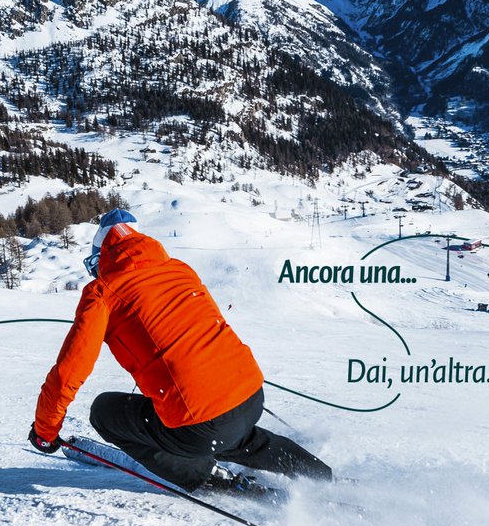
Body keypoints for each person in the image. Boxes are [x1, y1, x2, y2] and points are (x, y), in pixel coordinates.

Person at [28, 209, 332, 492]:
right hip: (250, 395)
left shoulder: (102, 292)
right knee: (235, 436)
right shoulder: (179, 269)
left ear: (103, 255)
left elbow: (70, 370)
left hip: (202, 423)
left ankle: (208, 476)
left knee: (105, 412)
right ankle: (324, 477)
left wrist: (46, 430)